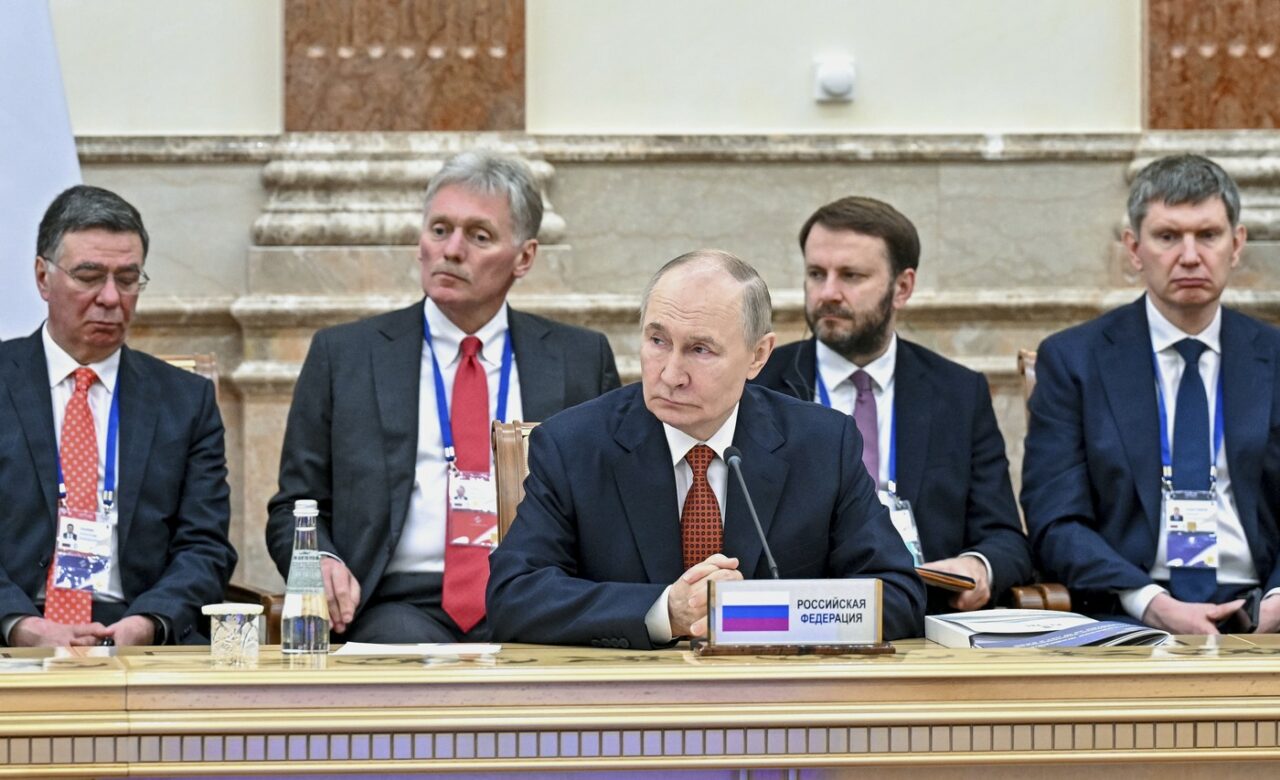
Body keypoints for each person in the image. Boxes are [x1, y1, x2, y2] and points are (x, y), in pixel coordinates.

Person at [486, 250, 926, 648]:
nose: (670, 374)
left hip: (777, 699)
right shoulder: (573, 445)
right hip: (628, 699)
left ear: (758, 356)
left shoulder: (822, 444)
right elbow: (514, 596)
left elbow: (898, 595)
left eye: (700, 350)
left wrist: (754, 617)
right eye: (657, 341)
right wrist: (665, 611)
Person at [267, 152, 620, 643]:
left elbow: (611, 503)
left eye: (479, 236)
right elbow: (294, 506)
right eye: (439, 230)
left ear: (524, 257)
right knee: (403, 658)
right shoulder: (346, 355)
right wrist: (319, 560)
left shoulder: (578, 359)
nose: (452, 250)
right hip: (395, 603)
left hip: (534, 598)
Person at [1022, 154, 1280, 634]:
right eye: (1167, 237)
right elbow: (1055, 519)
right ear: (1134, 248)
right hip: (1131, 616)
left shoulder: (1275, 357)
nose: (1189, 256)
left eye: (1208, 235)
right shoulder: (1074, 361)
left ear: (1237, 244)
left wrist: (1277, 601)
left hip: (1264, 612)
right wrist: (1150, 603)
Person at [755, 197, 1031, 613]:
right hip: (793, 618)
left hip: (925, 617)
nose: (827, 293)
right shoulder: (759, 384)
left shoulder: (957, 393)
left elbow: (1005, 538)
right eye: (816, 274)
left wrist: (978, 566)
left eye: (851, 276)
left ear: (902, 288)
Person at [0, 185, 237, 647]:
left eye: (127, 279)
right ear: (43, 278)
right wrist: (23, 626)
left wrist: (148, 623)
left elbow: (205, 546)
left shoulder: (185, 401)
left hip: (138, 628)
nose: (110, 297)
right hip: (13, 626)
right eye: (89, 276)